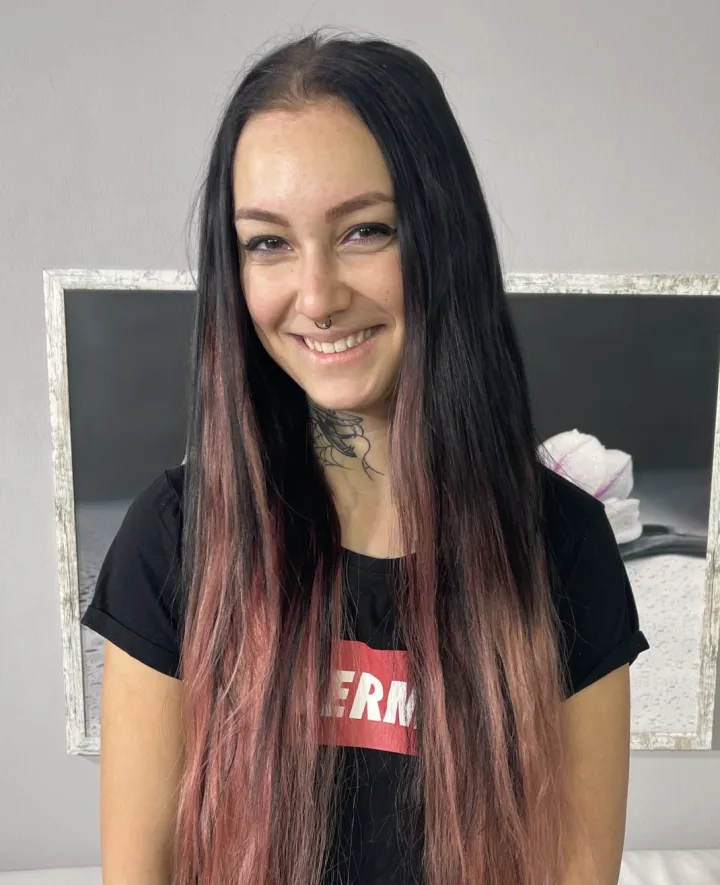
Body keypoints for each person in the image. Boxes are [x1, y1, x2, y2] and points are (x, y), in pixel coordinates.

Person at [81, 30, 649, 885]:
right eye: (268, 242)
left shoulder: (564, 546)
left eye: (365, 230)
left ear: (442, 239)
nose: (316, 297)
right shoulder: (172, 540)